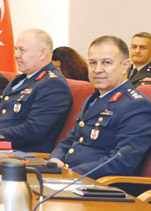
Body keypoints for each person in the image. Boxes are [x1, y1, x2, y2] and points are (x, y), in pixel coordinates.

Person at [50, 36, 151, 176]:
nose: (97, 69)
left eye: (106, 63)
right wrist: (55, 159)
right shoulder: (95, 98)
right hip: (72, 179)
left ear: (125, 66)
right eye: (92, 63)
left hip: (101, 188)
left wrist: (71, 173)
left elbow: (122, 162)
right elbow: (70, 140)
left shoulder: (136, 105)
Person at [0, 28, 72, 152]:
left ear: (42, 53)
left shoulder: (53, 84)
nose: (15, 55)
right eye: (16, 49)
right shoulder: (20, 79)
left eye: (22, 50)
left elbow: (33, 130)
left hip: (23, 154)